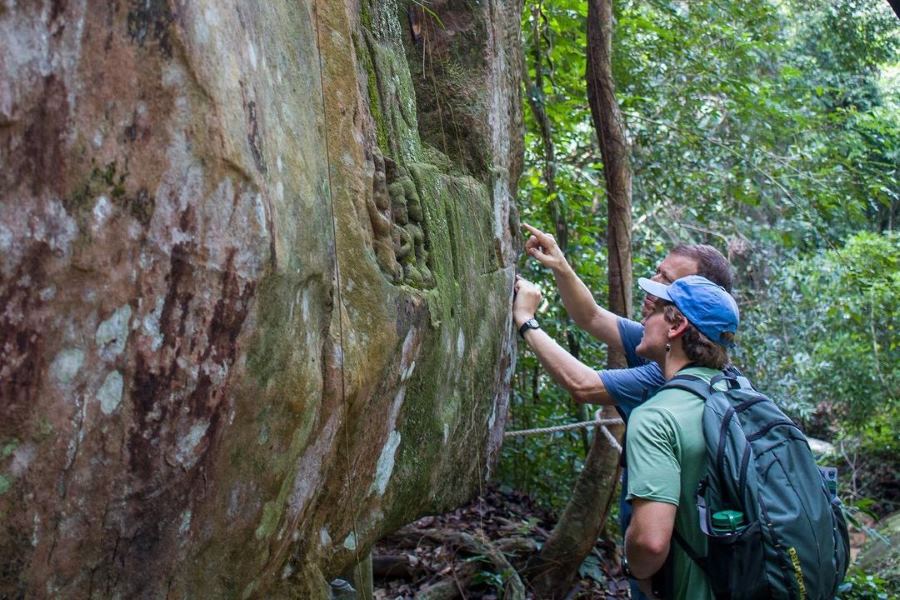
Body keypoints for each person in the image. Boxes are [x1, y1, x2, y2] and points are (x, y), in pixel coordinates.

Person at [512, 224, 734, 598]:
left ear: (680, 320)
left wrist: (526, 321)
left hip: (679, 566)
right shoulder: (711, 371)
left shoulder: (662, 382)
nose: (653, 285)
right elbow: (593, 318)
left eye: (666, 284)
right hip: (721, 562)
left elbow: (582, 384)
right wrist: (560, 265)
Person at [622, 275, 739, 599]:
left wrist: (632, 565)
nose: (644, 317)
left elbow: (650, 542)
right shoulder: (746, 398)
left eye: (655, 310)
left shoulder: (656, 417)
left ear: (676, 327)